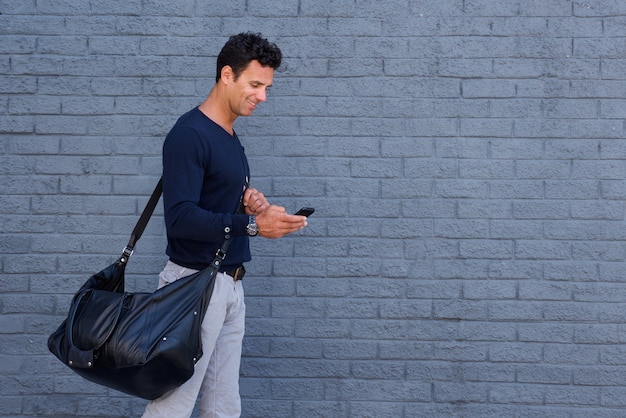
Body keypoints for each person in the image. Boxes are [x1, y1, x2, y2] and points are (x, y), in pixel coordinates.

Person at [142, 32, 308, 418]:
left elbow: (215, 203)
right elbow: (180, 218)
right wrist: (252, 227)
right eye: (255, 85)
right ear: (227, 75)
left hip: (229, 285)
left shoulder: (229, 137)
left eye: (266, 87)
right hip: (192, 285)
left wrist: (253, 203)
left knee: (223, 405)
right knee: (172, 404)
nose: (262, 96)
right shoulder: (189, 135)